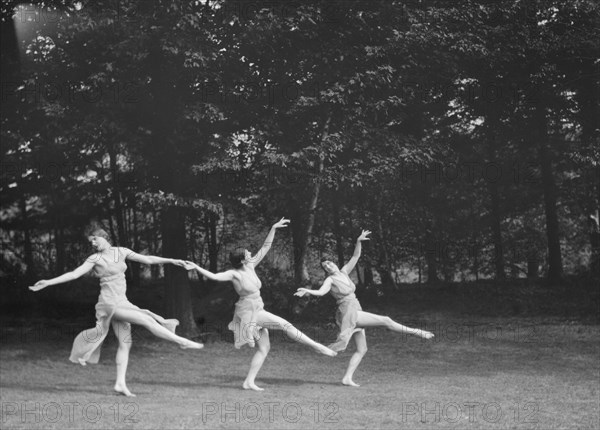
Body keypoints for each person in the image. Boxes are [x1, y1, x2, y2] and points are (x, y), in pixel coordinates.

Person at [29, 228, 203, 397]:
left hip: (122, 301)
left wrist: (172, 260)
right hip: (109, 303)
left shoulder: (122, 251)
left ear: (104, 237)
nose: (93, 243)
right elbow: (74, 274)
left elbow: (148, 259)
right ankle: (182, 341)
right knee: (145, 319)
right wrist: (48, 282)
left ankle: (120, 384)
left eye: (95, 239)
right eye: (91, 241)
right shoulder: (94, 258)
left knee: (125, 343)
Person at [184, 217, 336, 391]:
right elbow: (215, 276)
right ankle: (318, 347)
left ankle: (248, 382)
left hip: (257, 308)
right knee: (285, 325)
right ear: (242, 260)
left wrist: (273, 228)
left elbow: (266, 247)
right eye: (248, 253)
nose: (250, 254)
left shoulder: (251, 266)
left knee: (264, 348)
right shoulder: (235, 274)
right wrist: (196, 267)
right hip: (248, 312)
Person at [294, 229, 434, 387]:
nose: (328, 266)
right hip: (348, 312)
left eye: (329, 262)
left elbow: (355, 256)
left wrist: (359, 240)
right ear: (325, 270)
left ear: (334, 263)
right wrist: (307, 290)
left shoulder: (344, 272)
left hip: (356, 307)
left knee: (362, 349)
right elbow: (320, 292)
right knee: (386, 320)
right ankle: (418, 332)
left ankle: (347, 378)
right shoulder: (330, 280)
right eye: (325, 266)